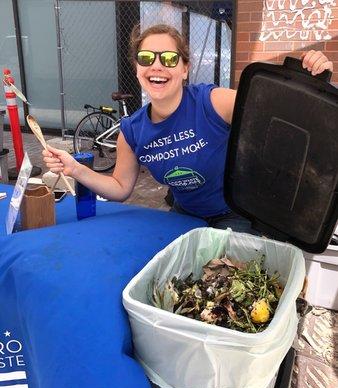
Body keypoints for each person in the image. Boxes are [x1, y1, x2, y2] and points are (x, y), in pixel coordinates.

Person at [43, 24, 333, 233]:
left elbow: (284, 117)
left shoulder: (213, 103)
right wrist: (75, 169)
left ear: (185, 68)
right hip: (183, 215)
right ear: (136, 68)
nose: (157, 66)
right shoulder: (131, 130)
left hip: (237, 214)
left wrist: (312, 80)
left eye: (169, 59)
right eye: (146, 58)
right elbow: (119, 188)